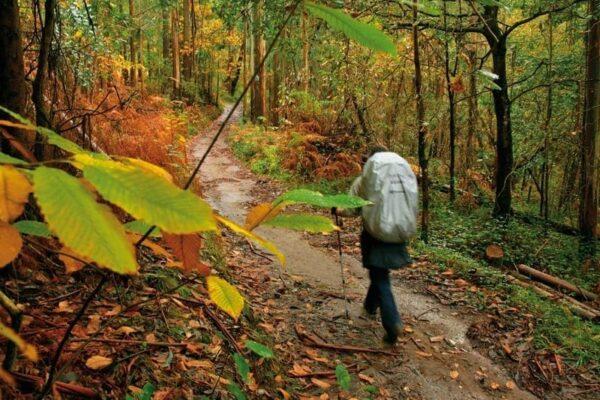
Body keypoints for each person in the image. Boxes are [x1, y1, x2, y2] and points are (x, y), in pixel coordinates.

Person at [335, 145, 413, 344]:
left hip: (376, 234)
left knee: (379, 275)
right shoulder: (400, 178)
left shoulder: (365, 180)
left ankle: (392, 321)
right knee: (379, 271)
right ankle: (370, 306)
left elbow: (353, 208)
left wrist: (337, 209)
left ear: (370, 161)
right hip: (399, 231)